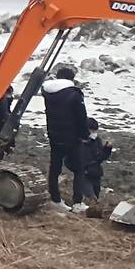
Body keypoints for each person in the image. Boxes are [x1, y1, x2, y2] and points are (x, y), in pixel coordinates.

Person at [42, 67, 89, 213]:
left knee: (55, 168)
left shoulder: (48, 93)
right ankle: (77, 203)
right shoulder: (74, 95)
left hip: (54, 135)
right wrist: (85, 135)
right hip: (72, 137)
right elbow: (81, 118)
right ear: (71, 79)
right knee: (79, 170)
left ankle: (55, 199)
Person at [79, 118, 113, 202]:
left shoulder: (97, 140)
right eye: (92, 131)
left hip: (96, 174)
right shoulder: (79, 142)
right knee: (91, 198)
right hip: (85, 174)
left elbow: (100, 157)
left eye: (95, 131)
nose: (94, 133)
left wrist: (107, 149)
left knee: (96, 196)